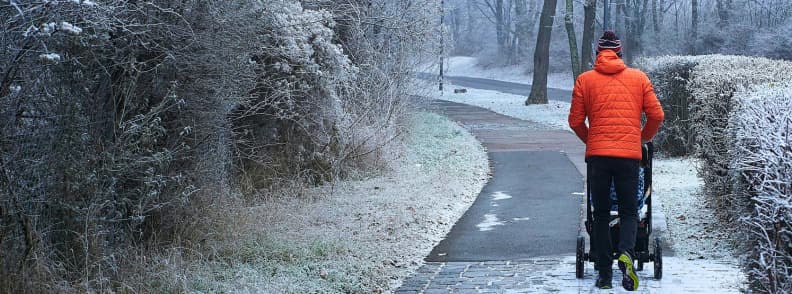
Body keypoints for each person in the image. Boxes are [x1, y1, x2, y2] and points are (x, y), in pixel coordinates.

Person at [568, 30, 665, 291]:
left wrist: (592, 141)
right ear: (620, 54)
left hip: (598, 157)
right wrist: (640, 139)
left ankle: (604, 274)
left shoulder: (584, 80)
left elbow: (575, 121)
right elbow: (657, 115)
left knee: (599, 214)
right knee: (629, 211)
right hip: (628, 158)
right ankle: (626, 254)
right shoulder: (639, 78)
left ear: (597, 55)